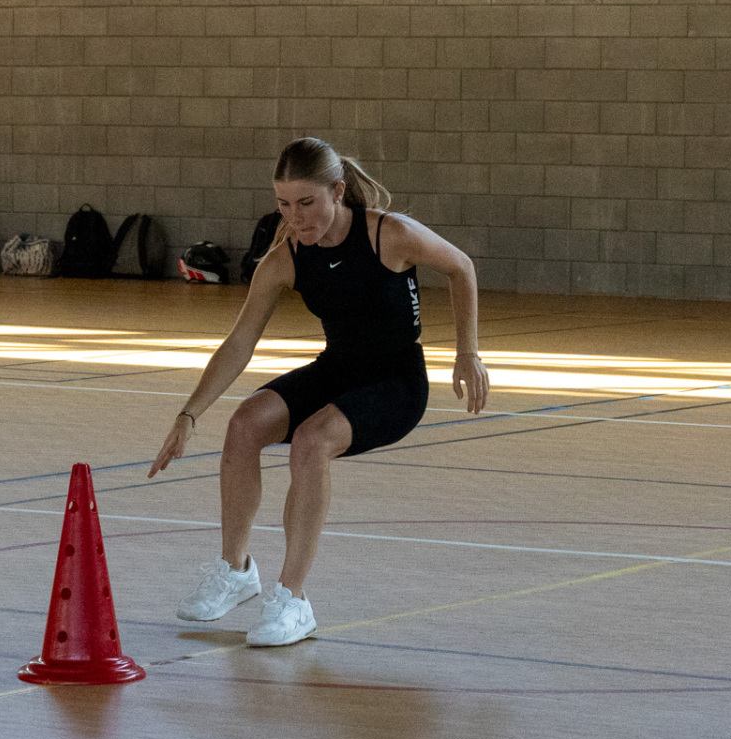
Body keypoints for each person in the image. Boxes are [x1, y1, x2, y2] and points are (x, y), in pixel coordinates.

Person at [148, 137, 489, 646]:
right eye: (284, 204)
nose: (296, 217)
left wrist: (468, 351)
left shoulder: (389, 234)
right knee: (244, 424)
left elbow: (461, 266)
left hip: (396, 382)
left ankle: (293, 600)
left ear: (337, 191)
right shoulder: (286, 257)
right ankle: (236, 570)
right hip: (337, 368)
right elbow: (240, 342)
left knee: (312, 441)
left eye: (306, 202)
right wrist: (189, 414)